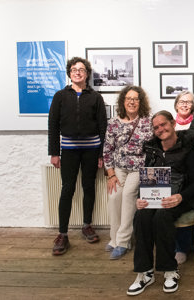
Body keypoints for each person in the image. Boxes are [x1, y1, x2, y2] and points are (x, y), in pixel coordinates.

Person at [127, 111, 194, 295]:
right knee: (141, 216)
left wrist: (180, 197)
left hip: (181, 198)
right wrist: (141, 198)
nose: (161, 129)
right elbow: (147, 178)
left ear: (173, 123)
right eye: (156, 127)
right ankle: (144, 272)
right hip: (156, 198)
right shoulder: (152, 150)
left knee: (162, 216)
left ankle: (170, 270)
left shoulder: (188, 149)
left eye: (164, 124)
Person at [48, 57, 107, 256]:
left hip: (91, 149)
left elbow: (103, 127)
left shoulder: (95, 98)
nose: (78, 72)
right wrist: (55, 152)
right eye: (74, 69)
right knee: (67, 189)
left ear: (87, 74)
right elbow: (53, 126)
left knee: (88, 187)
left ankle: (87, 225)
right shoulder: (60, 96)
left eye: (81, 69)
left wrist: (101, 154)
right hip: (69, 150)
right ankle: (63, 234)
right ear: (69, 73)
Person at [102, 86, 152, 260]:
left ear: (140, 102)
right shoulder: (113, 123)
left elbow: (152, 148)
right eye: (128, 98)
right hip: (119, 168)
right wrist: (111, 174)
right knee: (114, 196)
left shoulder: (147, 122)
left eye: (135, 99)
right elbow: (107, 150)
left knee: (128, 195)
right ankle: (114, 237)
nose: (132, 101)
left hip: (138, 168)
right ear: (123, 101)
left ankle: (123, 241)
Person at [173, 91, 194, 265]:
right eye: (182, 101)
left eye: (189, 102)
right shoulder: (169, 124)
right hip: (176, 173)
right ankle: (180, 246)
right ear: (176, 104)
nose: (185, 105)